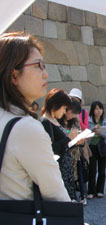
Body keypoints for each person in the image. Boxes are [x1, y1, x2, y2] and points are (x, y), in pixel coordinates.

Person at [0, 32, 69, 201]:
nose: (45, 73)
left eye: (44, 66)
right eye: (38, 65)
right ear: (14, 75)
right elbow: (57, 197)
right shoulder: (26, 128)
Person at [40, 88, 78, 201]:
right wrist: (68, 138)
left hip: (65, 167)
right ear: (57, 105)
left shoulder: (54, 120)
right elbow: (51, 149)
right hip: (59, 168)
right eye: (64, 108)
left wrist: (73, 140)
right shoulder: (45, 121)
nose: (65, 112)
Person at [58, 97, 90, 205]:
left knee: (77, 177)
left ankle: (80, 196)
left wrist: (81, 139)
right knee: (64, 181)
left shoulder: (74, 121)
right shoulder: (57, 122)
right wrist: (69, 136)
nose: (73, 115)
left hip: (75, 154)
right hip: (63, 157)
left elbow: (79, 131)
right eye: (72, 112)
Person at [87, 101, 106, 199]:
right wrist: (93, 130)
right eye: (96, 109)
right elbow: (86, 133)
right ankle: (91, 191)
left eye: (100, 108)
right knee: (92, 170)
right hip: (91, 146)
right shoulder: (89, 120)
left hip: (102, 146)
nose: (98, 111)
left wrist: (100, 132)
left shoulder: (105, 121)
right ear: (93, 110)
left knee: (102, 170)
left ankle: (100, 190)